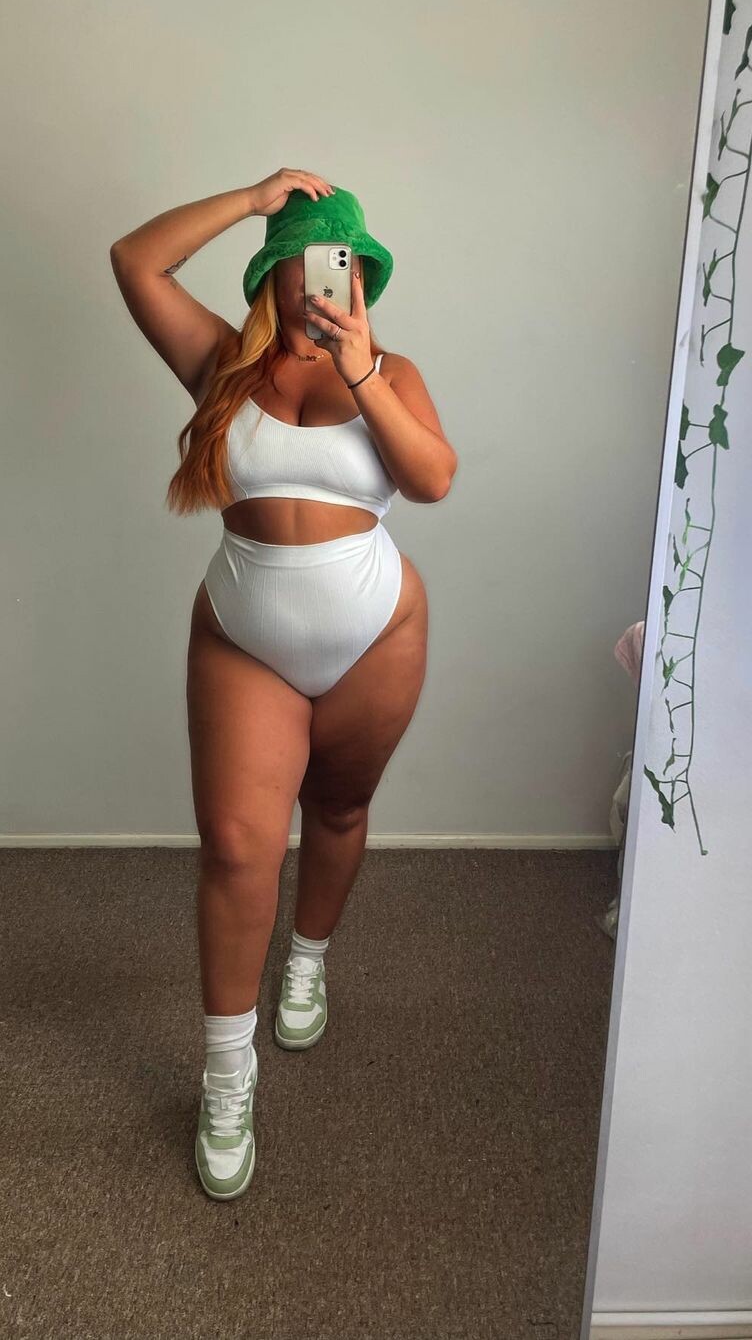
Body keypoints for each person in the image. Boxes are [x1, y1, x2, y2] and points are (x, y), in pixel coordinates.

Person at [109, 168, 457, 1200]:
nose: (329, 281)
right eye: (307, 260)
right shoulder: (222, 364)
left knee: (338, 807)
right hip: (244, 637)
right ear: (273, 272)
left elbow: (432, 479)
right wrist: (250, 198)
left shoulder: (391, 369)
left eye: (346, 264)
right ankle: (227, 1075)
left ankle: (306, 959)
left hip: (374, 632)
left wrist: (363, 373)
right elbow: (135, 260)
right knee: (235, 847)